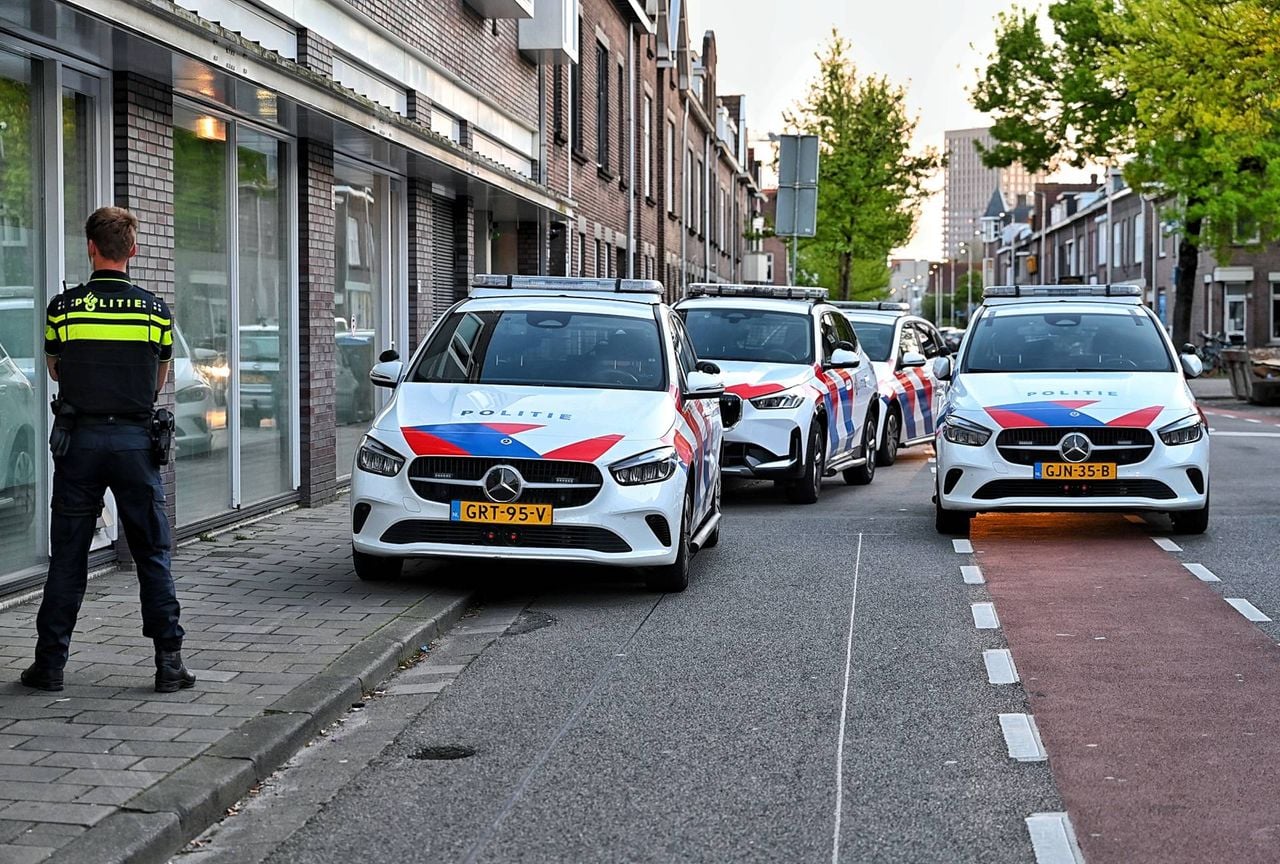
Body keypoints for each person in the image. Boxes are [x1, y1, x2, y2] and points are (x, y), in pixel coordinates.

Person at [21, 206, 195, 694]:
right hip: (136, 443)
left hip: (80, 442)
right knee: (152, 553)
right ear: (134, 251)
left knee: (69, 557)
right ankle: (169, 663)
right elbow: (158, 380)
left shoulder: (64, 307)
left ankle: (50, 666)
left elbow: (56, 367)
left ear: (91, 248)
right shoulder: (156, 311)